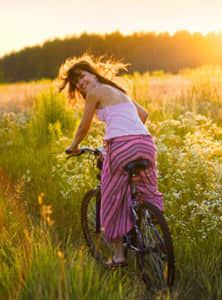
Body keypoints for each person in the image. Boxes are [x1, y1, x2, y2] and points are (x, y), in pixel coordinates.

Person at [56, 54, 164, 267]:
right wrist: (127, 130)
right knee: (145, 191)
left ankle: (119, 255)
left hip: (121, 146)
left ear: (92, 72)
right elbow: (143, 115)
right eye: (76, 82)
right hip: (145, 143)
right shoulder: (119, 92)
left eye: (81, 76)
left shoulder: (95, 93)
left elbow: (84, 126)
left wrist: (74, 146)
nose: (81, 82)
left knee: (111, 196)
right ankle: (150, 227)